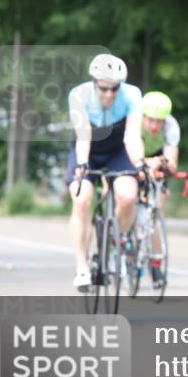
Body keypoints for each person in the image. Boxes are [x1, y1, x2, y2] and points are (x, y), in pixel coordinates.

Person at [67, 53, 144, 291]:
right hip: (87, 148)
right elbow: (84, 135)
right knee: (82, 199)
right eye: (104, 89)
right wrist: (82, 165)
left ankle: (114, 244)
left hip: (117, 150)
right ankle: (82, 267)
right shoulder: (79, 95)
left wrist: (140, 164)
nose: (109, 94)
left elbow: (132, 136)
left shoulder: (132, 95)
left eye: (114, 89)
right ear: (94, 83)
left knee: (128, 196)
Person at [139, 91, 180, 288]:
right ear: (143, 117)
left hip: (157, 160)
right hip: (134, 155)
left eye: (159, 121)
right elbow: (128, 156)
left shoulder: (171, 126)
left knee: (155, 211)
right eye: (151, 121)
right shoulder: (132, 122)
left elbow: (172, 162)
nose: (155, 126)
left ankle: (156, 265)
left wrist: (164, 163)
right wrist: (146, 163)